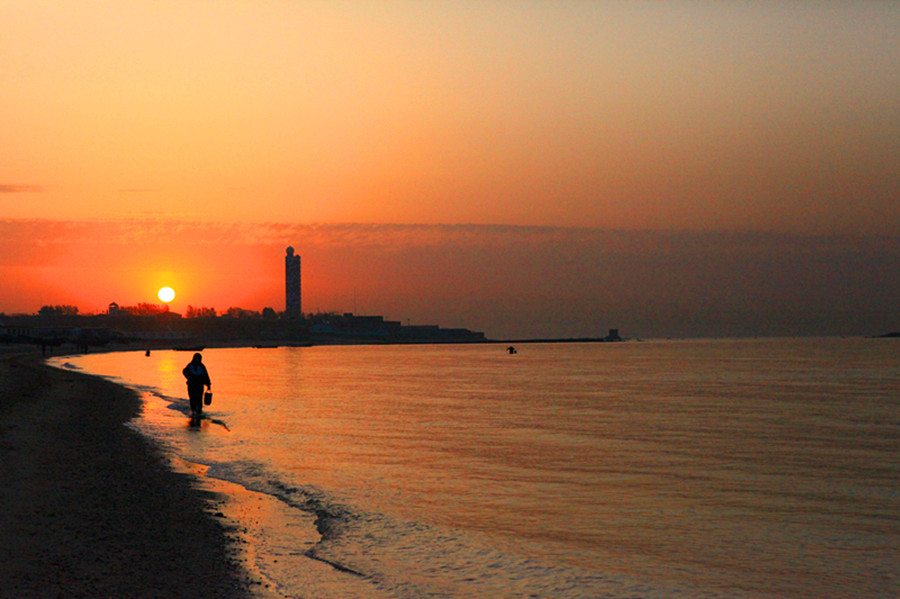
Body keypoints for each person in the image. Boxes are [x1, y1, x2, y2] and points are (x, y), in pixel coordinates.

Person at [182, 352, 211, 418]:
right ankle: (193, 411)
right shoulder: (190, 366)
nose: (197, 360)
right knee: (192, 398)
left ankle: (199, 412)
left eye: (198, 358)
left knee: (199, 398)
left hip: (199, 385)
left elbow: (206, 376)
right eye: (196, 358)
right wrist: (189, 378)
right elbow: (184, 371)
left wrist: (208, 385)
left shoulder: (202, 366)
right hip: (191, 385)